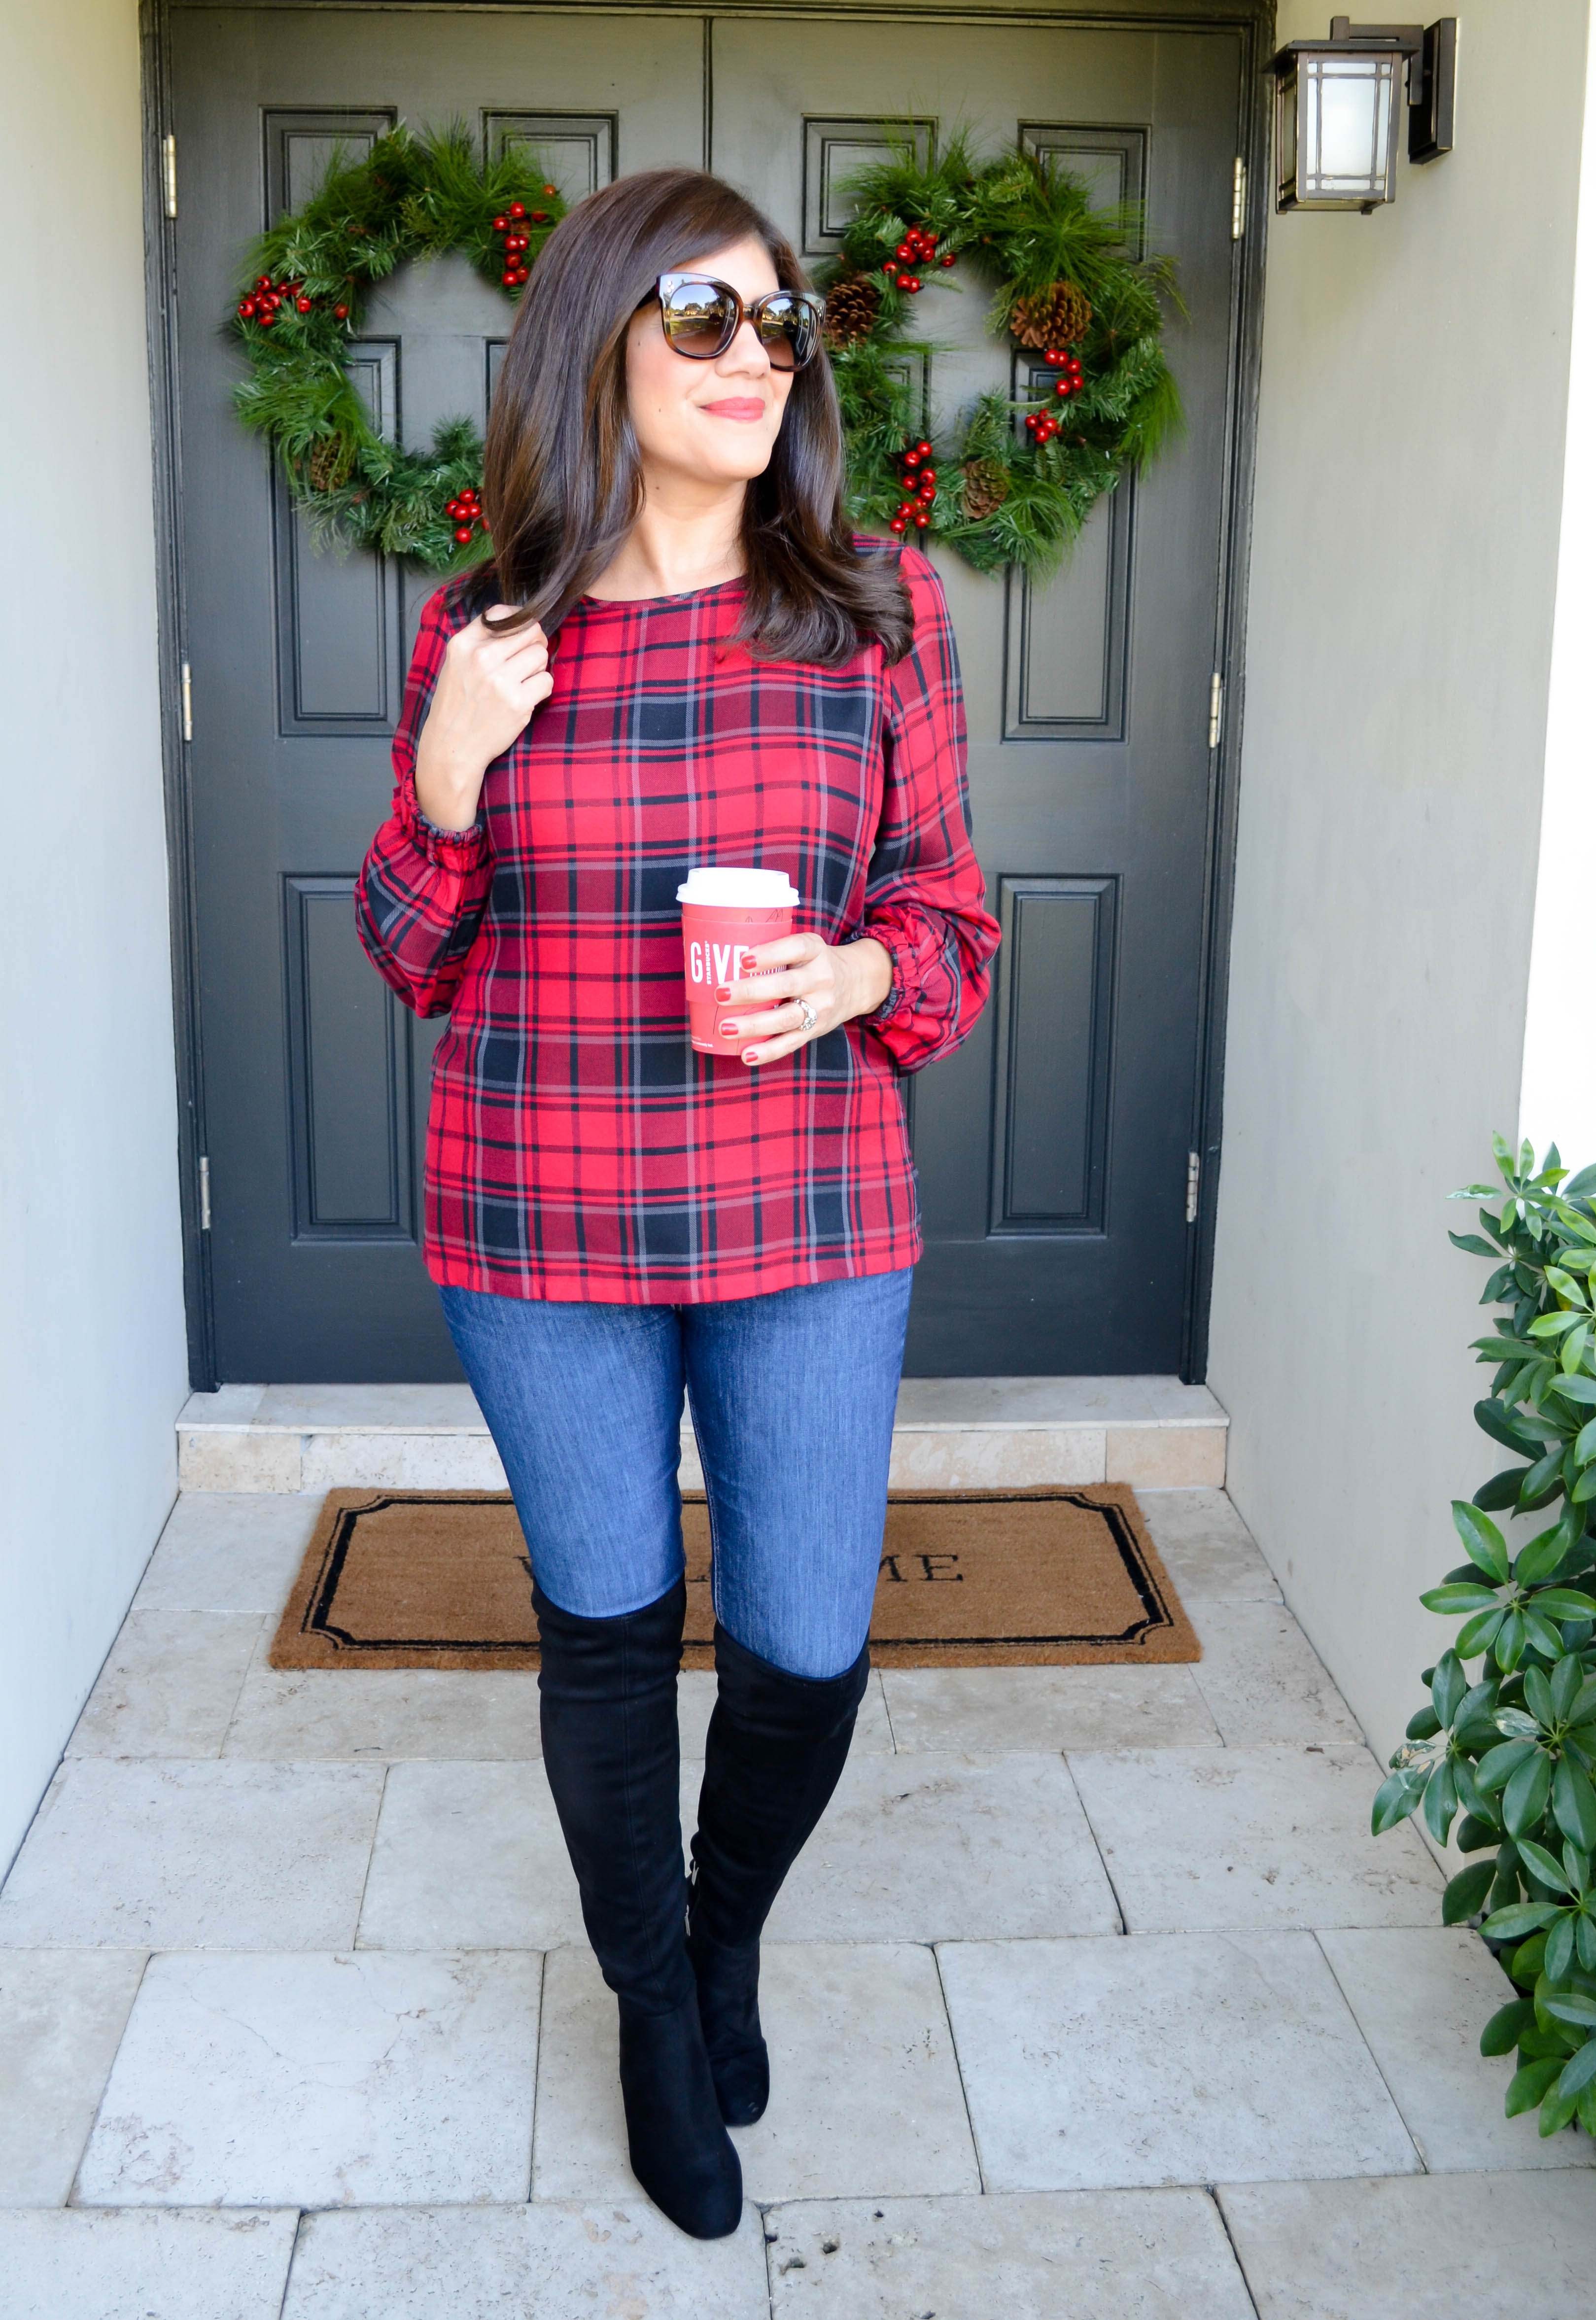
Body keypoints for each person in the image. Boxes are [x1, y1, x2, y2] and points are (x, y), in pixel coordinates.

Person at [356, 166, 998, 2240]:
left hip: (809, 1215)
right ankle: (655, 2006)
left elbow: (952, 916)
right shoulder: (486, 632)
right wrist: (453, 772)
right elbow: (405, 944)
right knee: (613, 1642)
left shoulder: (877, 608)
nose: (753, 355)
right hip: (542, 1227)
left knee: (809, 1651)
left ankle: (721, 1937)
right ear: (600, 341)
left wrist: (865, 970)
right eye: (701, 318)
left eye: (777, 321)